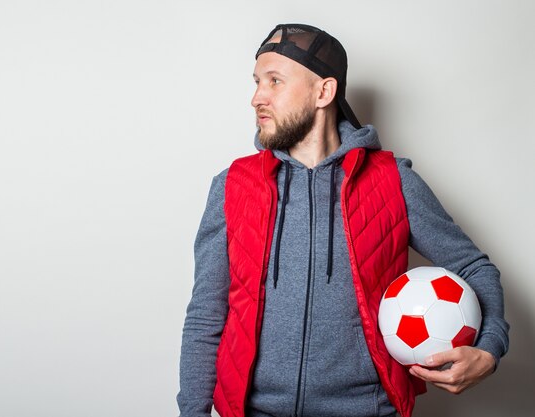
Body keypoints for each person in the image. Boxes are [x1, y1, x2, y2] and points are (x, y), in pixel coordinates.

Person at [177, 23, 509, 417]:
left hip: (367, 409)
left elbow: (473, 266)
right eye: (256, 82)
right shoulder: (233, 186)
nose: (256, 97)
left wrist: (489, 347)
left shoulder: (392, 180)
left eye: (274, 81)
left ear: (324, 92)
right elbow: (205, 316)